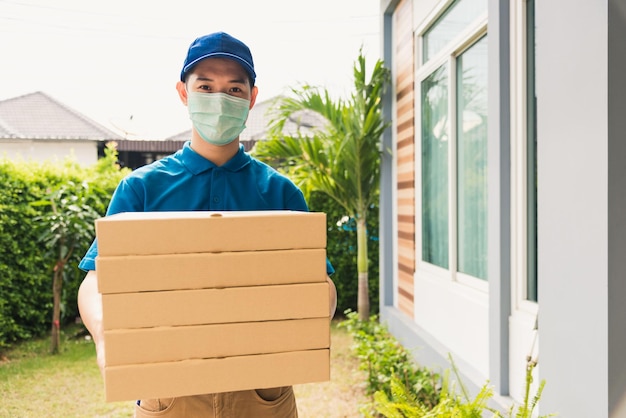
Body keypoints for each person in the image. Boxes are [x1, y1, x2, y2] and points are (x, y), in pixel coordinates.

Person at [77, 31, 337, 418]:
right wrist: (105, 338)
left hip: (263, 392)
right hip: (167, 392)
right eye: (206, 86)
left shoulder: (280, 192)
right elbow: (97, 280)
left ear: (251, 98)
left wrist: (308, 319)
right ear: (184, 93)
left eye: (234, 89)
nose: (220, 100)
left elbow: (319, 282)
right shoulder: (141, 189)